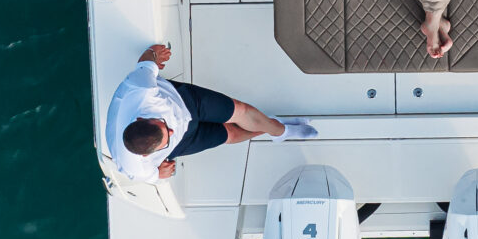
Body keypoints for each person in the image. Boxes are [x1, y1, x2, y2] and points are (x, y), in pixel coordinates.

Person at [103, 43, 318, 183]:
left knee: (240, 110)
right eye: (166, 137)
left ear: (142, 117)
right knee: (229, 134)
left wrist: (154, 53)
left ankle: (280, 130)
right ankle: (269, 129)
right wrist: (159, 173)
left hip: (182, 101)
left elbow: (146, 59)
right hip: (182, 142)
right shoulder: (133, 167)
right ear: (147, 155)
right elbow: (152, 174)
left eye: (163, 124)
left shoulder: (141, 90)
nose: (171, 129)